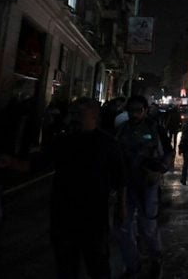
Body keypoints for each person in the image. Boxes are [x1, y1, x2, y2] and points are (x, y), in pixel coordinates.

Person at [49, 97, 126, 279]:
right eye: (73, 114)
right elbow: (40, 163)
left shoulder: (107, 143)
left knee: (97, 264)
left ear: (94, 117)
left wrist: (121, 207)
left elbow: (121, 178)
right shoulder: (63, 141)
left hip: (94, 216)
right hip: (64, 215)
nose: (74, 119)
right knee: (66, 265)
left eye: (80, 114)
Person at [115, 95, 171, 278]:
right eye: (131, 110)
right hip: (126, 185)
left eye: (138, 110)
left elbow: (168, 154)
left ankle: (156, 259)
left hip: (148, 185)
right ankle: (132, 265)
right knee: (123, 228)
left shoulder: (156, 129)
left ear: (145, 111)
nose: (134, 114)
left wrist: (159, 172)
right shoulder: (121, 130)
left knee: (148, 227)